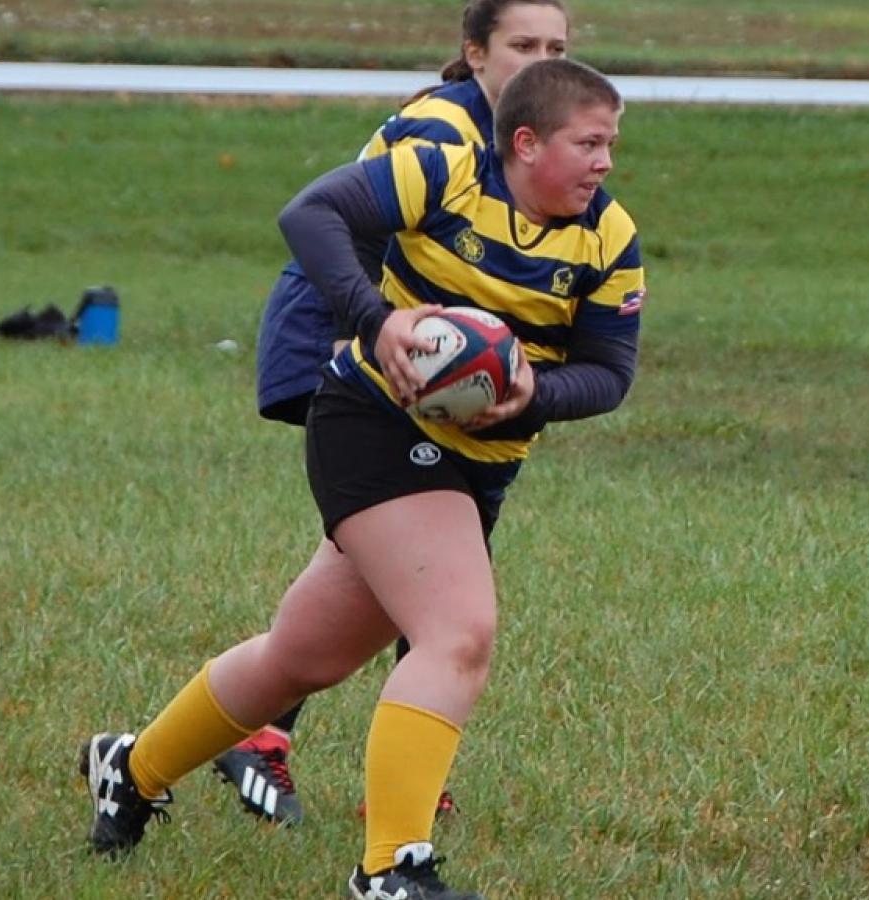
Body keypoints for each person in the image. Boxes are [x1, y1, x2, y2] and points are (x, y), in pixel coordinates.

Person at [80, 57, 643, 899]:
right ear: (525, 144)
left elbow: (609, 372)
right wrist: (376, 323)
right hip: (371, 422)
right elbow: (309, 214)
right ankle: (390, 870)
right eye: (588, 143)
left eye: (611, 144)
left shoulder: (609, 238)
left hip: (477, 465)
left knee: (299, 657)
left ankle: (132, 767)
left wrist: (532, 398)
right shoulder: (445, 170)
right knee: (458, 633)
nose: (605, 163)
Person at [224, 0, 570, 828]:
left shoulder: (540, 137)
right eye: (522, 44)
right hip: (346, 329)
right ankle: (281, 739)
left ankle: (340, 748)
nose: (541, 61)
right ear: (475, 52)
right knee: (423, 556)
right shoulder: (445, 132)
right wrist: (375, 326)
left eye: (557, 46)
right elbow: (319, 223)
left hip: (429, 351)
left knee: (410, 558)